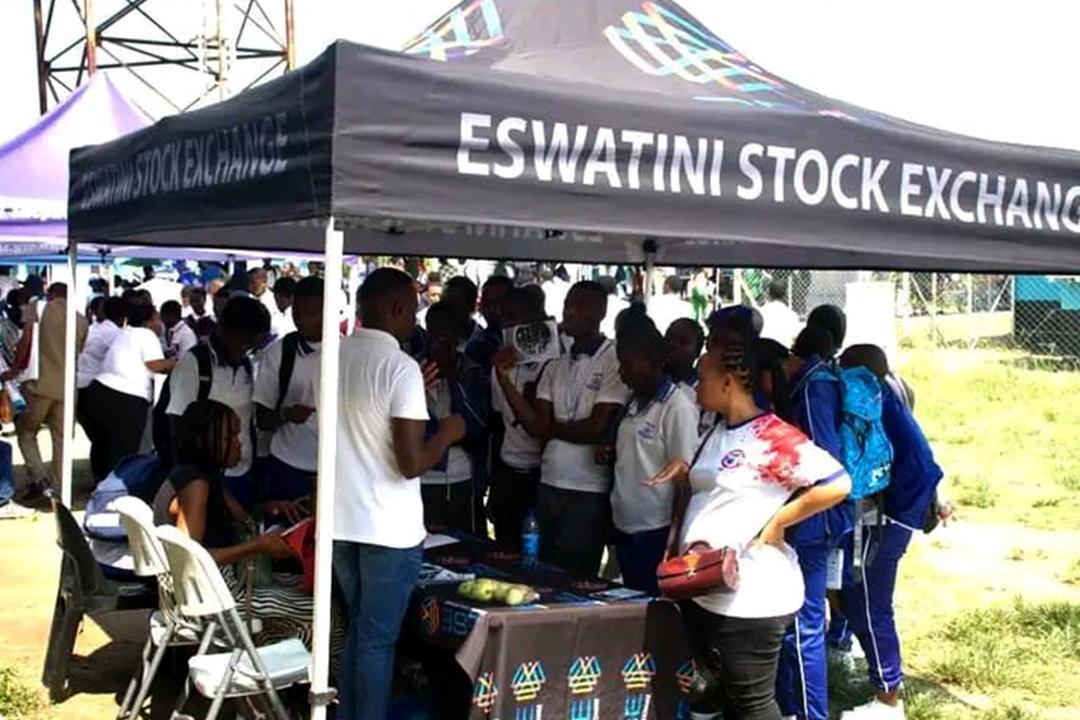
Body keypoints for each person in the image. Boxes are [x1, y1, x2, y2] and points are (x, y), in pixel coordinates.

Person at [647, 337, 851, 720]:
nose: (696, 386)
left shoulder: (770, 436)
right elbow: (723, 489)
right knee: (725, 699)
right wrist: (685, 472)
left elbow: (837, 483)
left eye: (703, 377)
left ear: (727, 382)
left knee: (752, 704)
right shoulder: (716, 430)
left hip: (751, 595)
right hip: (709, 587)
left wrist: (779, 521)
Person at [333, 267, 466, 720]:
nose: (417, 318)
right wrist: (447, 433)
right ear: (395, 308)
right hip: (387, 528)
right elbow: (410, 463)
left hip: (342, 520)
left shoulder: (334, 357)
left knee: (359, 631)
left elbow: (364, 416)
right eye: (412, 308)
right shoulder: (400, 367)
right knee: (376, 641)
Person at [157, 399, 327, 648]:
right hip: (213, 600)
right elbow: (190, 559)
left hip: (216, 589)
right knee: (325, 609)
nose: (239, 443)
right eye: (230, 437)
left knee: (303, 588)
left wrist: (269, 508)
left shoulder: (201, 477)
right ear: (204, 440)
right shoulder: (196, 486)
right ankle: (278, 664)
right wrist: (258, 546)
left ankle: (265, 658)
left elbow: (243, 518)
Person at [832, 345, 943, 720]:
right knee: (853, 591)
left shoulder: (866, 402)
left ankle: (888, 700)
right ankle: (876, 674)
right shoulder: (887, 396)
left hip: (887, 513)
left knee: (869, 601)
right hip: (885, 507)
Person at [498, 281, 629, 576]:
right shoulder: (556, 362)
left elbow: (596, 428)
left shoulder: (613, 359)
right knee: (540, 569)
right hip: (549, 483)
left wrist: (553, 430)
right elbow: (536, 426)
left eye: (580, 305)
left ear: (601, 312)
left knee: (575, 575)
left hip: (587, 489)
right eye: (568, 304)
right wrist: (504, 378)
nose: (570, 311)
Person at [774, 324, 851, 720]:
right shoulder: (816, 381)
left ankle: (811, 713)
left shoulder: (812, 390)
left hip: (813, 522)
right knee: (796, 621)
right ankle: (791, 707)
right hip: (812, 521)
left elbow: (825, 463)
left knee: (804, 624)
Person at [610, 318, 698, 595]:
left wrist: (674, 540)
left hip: (655, 529)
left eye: (627, 365)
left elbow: (685, 478)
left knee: (652, 604)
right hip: (625, 523)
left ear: (651, 362)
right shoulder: (634, 401)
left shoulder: (677, 407)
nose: (621, 373)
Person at [167, 295, 270, 509]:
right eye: (243, 340)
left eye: (251, 343)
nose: (246, 347)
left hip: (243, 470)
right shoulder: (195, 363)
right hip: (207, 476)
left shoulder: (246, 365)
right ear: (224, 330)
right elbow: (177, 424)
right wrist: (197, 478)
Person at [2, 284, 87, 494]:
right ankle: (58, 486)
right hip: (67, 388)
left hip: (38, 384)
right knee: (62, 439)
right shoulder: (81, 320)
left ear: (51, 294)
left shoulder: (38, 308)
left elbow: (26, 341)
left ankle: (40, 478)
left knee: (26, 431)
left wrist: (14, 370)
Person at [418, 302, 489, 533]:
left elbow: (475, 427)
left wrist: (452, 379)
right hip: (421, 475)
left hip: (460, 476)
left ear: (456, 334)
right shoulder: (412, 368)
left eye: (445, 332)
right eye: (433, 331)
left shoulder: (471, 371)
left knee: (463, 543)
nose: (439, 339)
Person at [488, 286, 551, 547]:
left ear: (535, 318)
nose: (508, 325)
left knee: (538, 550)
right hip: (509, 473)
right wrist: (495, 483)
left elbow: (542, 426)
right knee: (506, 548)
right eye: (504, 318)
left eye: (514, 316)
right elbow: (499, 424)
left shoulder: (553, 363)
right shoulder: (499, 366)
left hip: (541, 474)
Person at [82, 298, 171, 480]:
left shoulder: (125, 334)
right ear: (148, 321)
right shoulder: (145, 335)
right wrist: (181, 363)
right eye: (156, 318)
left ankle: (102, 483)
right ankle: (116, 489)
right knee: (124, 453)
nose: (160, 323)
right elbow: (155, 365)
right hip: (125, 397)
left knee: (105, 446)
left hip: (98, 392)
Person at [253, 277, 324, 505]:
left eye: (311, 314)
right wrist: (286, 415)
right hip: (286, 465)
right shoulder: (279, 353)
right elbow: (262, 418)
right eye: (297, 313)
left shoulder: (348, 354)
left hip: (332, 467)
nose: (302, 321)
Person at [759, 280, 801, 349]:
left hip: (762, 351)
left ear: (768, 293)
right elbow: (795, 339)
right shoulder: (792, 315)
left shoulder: (760, 312)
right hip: (783, 352)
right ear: (785, 294)